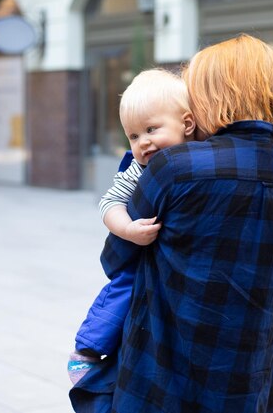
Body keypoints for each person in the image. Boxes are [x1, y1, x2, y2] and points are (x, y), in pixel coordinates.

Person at [70, 34, 273, 413]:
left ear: (215, 93)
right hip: (253, 364)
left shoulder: (176, 167)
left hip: (168, 363)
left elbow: (116, 258)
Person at [68, 68, 196, 385]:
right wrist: (128, 230)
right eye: (134, 136)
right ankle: (86, 350)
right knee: (119, 295)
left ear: (188, 124)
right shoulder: (138, 170)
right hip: (137, 256)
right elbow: (108, 203)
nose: (144, 143)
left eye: (152, 129)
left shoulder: (201, 158)